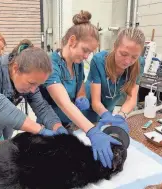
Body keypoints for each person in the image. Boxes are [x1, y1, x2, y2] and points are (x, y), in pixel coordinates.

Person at [39, 10, 121, 169]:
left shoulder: (77, 63)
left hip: (71, 124)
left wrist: (80, 96)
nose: (87, 56)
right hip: (50, 128)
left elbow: (80, 84)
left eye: (90, 53)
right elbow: (64, 103)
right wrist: (92, 131)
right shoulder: (50, 64)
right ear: (72, 40)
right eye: (85, 50)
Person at [84, 27, 146, 133]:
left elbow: (131, 98)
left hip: (108, 109)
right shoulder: (99, 61)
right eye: (124, 54)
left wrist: (121, 115)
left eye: (134, 57)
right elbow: (96, 102)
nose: (127, 61)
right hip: (87, 109)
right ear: (115, 47)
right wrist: (105, 115)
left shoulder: (139, 64)